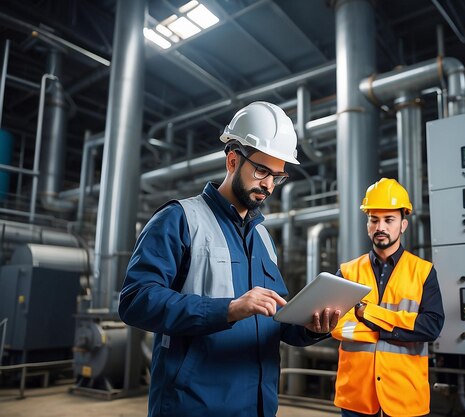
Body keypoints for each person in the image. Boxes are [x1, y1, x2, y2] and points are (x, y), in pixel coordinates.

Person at [118, 101, 340, 417]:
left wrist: (316, 326)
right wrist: (229, 309)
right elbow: (136, 301)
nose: (268, 184)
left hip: (258, 406)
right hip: (195, 405)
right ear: (233, 160)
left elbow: (277, 320)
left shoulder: (263, 237)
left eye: (277, 176)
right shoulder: (179, 219)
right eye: (262, 170)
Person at [331, 178, 445, 417]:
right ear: (368, 225)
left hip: (405, 396)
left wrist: (366, 313)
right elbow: (337, 327)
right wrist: (397, 329)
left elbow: (431, 327)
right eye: (374, 220)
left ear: (403, 225)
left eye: (388, 220)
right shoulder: (348, 271)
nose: (380, 226)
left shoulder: (423, 271)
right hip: (357, 398)